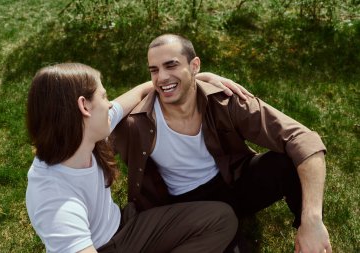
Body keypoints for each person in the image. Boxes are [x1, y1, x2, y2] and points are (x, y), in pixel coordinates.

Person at [112, 34, 332, 253]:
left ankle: (311, 240)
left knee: (287, 162)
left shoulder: (224, 100)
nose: (162, 77)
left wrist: (312, 220)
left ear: (194, 65)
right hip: (186, 206)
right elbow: (91, 130)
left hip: (232, 180)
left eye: (171, 65)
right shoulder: (136, 123)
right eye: (154, 70)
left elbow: (304, 140)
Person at [25, 63, 242, 253]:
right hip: (104, 247)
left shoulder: (82, 135)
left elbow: (139, 92)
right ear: (84, 107)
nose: (110, 104)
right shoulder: (53, 198)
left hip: (127, 225)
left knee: (222, 219)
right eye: (104, 96)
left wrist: (197, 79)